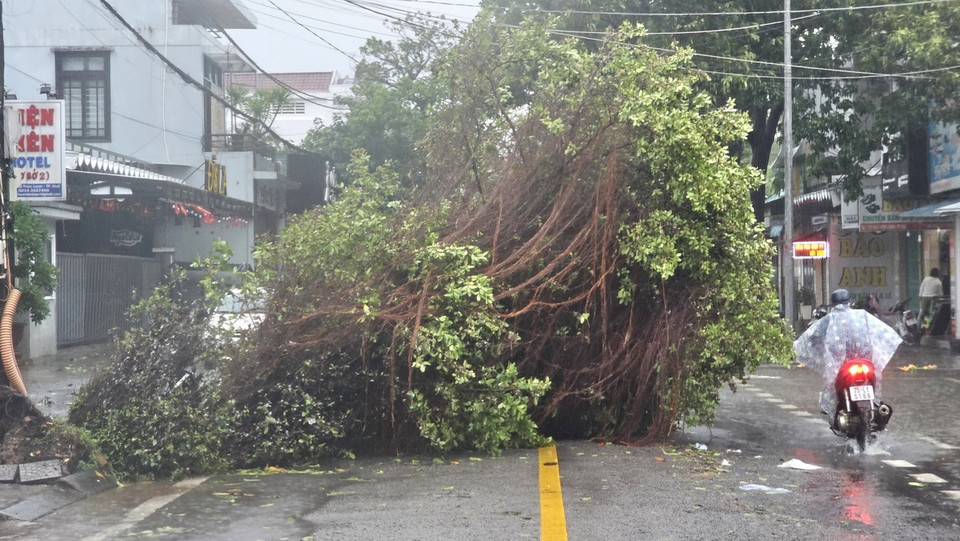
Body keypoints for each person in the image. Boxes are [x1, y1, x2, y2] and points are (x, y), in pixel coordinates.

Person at [794, 288, 902, 420]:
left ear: (833, 304)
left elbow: (812, 335)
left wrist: (796, 346)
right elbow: (881, 330)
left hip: (841, 364)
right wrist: (894, 337)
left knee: (831, 382)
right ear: (849, 302)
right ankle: (875, 404)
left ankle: (833, 409)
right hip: (864, 359)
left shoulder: (830, 318)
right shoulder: (862, 314)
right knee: (874, 375)